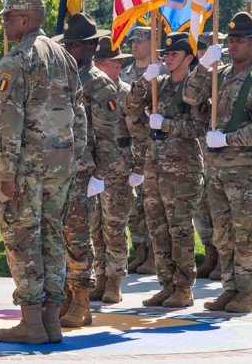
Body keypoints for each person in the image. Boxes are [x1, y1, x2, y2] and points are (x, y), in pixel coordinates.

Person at [0, 0, 86, 345]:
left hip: (26, 168)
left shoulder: (15, 61)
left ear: (25, 21)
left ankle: (31, 321)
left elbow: (9, 122)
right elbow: (80, 116)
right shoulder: (65, 57)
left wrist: (5, 174)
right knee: (52, 237)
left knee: (22, 238)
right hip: (61, 166)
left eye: (8, 18)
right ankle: (51, 321)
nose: (4, 24)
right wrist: (75, 161)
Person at [184, 12, 252, 313]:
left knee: (245, 233)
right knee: (222, 232)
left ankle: (246, 293)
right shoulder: (219, 75)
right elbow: (189, 96)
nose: (232, 45)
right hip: (216, 169)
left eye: (239, 40)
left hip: (244, 170)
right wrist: (202, 66)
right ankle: (229, 287)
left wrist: (227, 139)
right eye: (230, 40)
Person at [130, 32, 208, 309]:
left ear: (188, 58)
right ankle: (166, 284)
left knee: (180, 229)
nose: (167, 58)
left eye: (173, 54)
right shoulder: (158, 85)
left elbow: (200, 128)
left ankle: (184, 287)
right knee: (157, 228)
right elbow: (130, 107)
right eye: (165, 54)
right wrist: (143, 81)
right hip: (154, 166)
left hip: (182, 169)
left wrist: (166, 125)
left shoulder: (195, 89)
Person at [53, 12, 120, 326]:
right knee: (61, 235)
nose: (68, 49)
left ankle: (82, 301)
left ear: (90, 47)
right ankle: (67, 295)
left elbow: (108, 137)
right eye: (67, 44)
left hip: (83, 172)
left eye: (74, 45)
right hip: (58, 169)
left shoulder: (99, 83)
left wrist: (99, 176)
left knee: (79, 237)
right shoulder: (62, 76)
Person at [90, 35, 135, 303]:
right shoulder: (92, 89)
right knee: (94, 226)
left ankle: (115, 280)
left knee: (114, 226)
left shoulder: (126, 94)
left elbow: (139, 134)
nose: (96, 67)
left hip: (119, 166)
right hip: (95, 166)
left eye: (102, 63)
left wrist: (138, 167)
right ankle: (101, 278)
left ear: (116, 66)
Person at [119, 27, 155, 276]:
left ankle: (154, 253)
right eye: (133, 41)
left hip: (152, 145)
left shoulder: (160, 73)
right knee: (134, 206)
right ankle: (140, 250)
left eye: (141, 41)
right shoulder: (126, 73)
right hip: (131, 146)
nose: (135, 45)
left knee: (152, 203)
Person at [193, 31, 227, 280]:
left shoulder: (226, 76)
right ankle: (211, 252)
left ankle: (225, 259)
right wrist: (203, 68)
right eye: (200, 49)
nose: (203, 53)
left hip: (224, 151)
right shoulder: (200, 74)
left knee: (221, 210)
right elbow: (190, 95)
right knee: (202, 208)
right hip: (201, 150)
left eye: (208, 49)